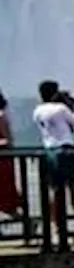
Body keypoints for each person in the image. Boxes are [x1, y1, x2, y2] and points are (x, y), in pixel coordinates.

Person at [33, 80, 74, 235]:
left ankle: (56, 225)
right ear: (54, 92)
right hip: (66, 150)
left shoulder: (37, 111)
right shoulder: (61, 108)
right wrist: (73, 106)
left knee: (55, 190)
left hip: (49, 150)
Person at [0, 91, 21, 221]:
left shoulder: (1, 116)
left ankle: (28, 224)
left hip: (3, 161)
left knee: (6, 197)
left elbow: (8, 140)